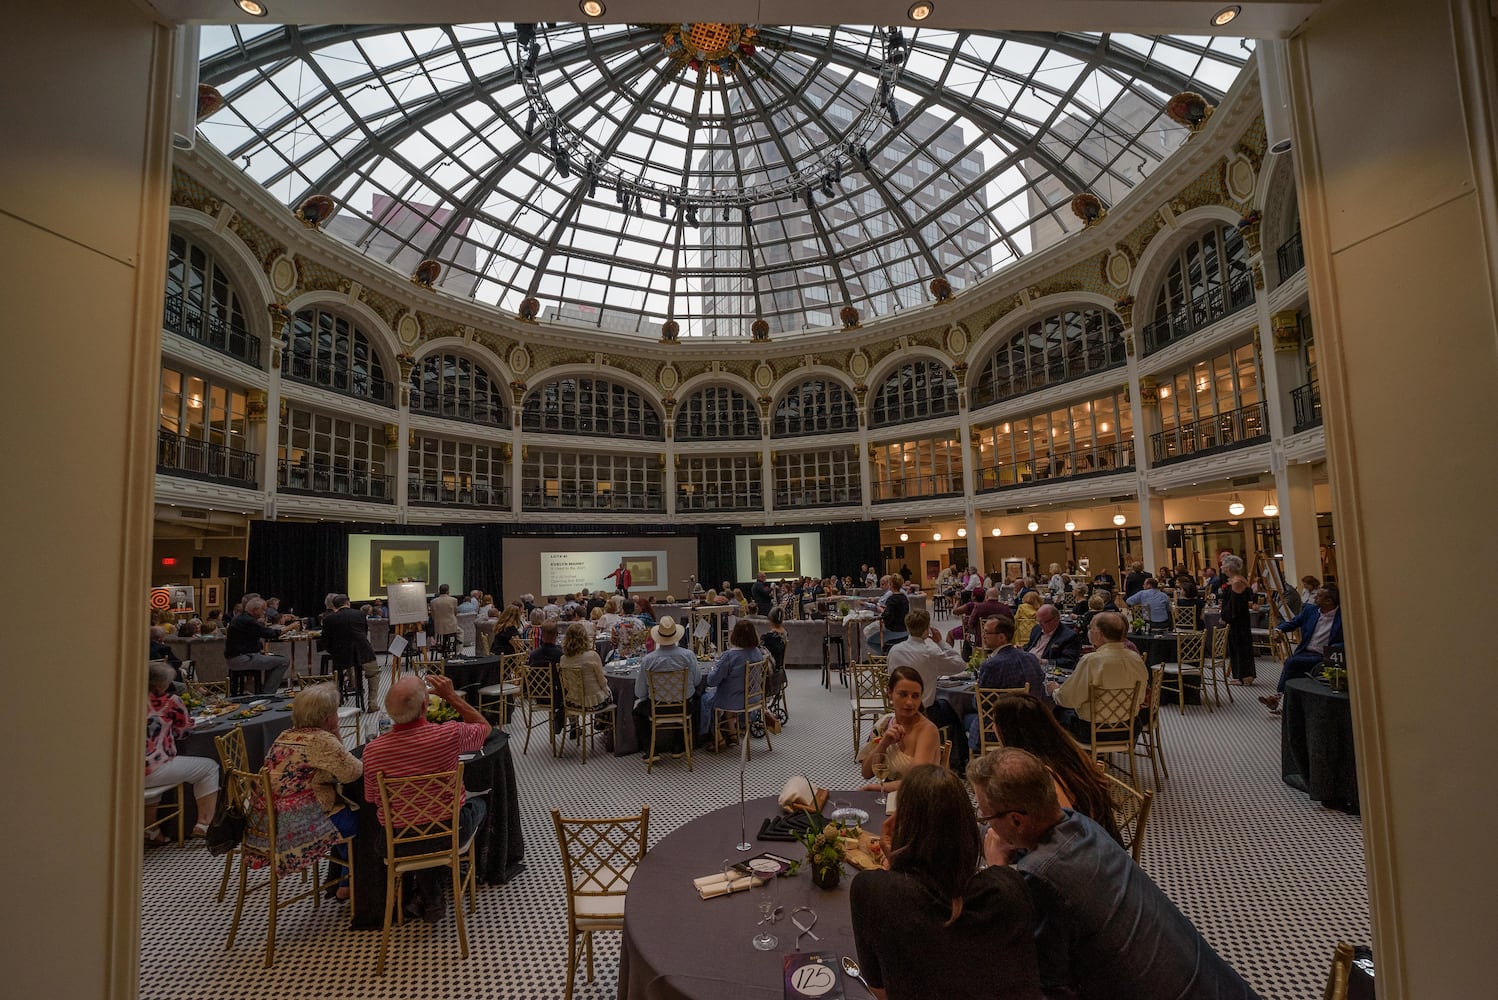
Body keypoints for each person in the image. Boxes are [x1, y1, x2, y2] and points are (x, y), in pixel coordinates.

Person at [968, 748, 1265, 1000]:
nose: (988, 825)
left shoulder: (1041, 877)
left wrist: (998, 872)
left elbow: (1047, 982)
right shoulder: (1081, 825)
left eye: (987, 817)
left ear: (1017, 821)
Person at [850, 764, 1045, 1000]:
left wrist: (896, 864)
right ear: (968, 826)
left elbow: (880, 990)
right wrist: (998, 868)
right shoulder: (1011, 888)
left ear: (903, 825)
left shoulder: (873, 890)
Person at [362, 673, 490, 923]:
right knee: (481, 803)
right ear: (425, 706)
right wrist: (451, 696)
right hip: (448, 833)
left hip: (397, 840)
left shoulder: (373, 752)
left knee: (419, 827)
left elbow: (370, 798)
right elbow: (483, 728)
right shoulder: (448, 735)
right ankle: (464, 878)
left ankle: (427, 893)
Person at [254, 682, 362, 896]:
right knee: (362, 820)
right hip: (299, 823)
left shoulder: (285, 735)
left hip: (267, 819)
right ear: (328, 717)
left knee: (343, 811)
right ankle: (351, 881)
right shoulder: (321, 741)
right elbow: (353, 773)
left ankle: (344, 881)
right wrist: (336, 733)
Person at [986, 693, 1121, 843]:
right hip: (1102, 840)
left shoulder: (1041, 773)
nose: (993, 728)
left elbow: (1065, 832)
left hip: (1086, 849)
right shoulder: (1066, 751)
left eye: (994, 721)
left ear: (1008, 730)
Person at [144, 661, 220, 844]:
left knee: (153, 785)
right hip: (153, 767)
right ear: (161, 685)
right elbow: (183, 731)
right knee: (209, 767)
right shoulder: (170, 702)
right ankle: (204, 823)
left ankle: (152, 832)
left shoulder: (128, 701)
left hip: (125, 772)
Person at [1047, 612, 1148, 742]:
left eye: (1090, 628)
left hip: (1091, 731)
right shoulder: (1136, 659)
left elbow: (1069, 699)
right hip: (1130, 727)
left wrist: (1055, 690)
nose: (1088, 631)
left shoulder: (1091, 661)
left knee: (1055, 713)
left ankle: (1071, 759)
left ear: (1099, 634)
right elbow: (1140, 697)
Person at [966, 617, 1049, 753]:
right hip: (1030, 726)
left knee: (961, 716)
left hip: (1001, 729)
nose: (983, 636)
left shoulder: (992, 665)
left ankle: (962, 764)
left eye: (987, 632)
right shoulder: (1031, 658)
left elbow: (981, 703)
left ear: (1001, 637)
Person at [1260, 585, 1344, 713]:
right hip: (1305, 651)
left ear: (1329, 601)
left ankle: (1278, 699)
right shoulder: (1310, 611)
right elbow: (1293, 623)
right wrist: (1279, 629)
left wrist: (1335, 648)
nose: (1315, 597)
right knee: (1294, 664)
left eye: (1319, 595)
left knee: (1292, 663)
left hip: (1324, 657)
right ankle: (1283, 701)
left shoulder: (1342, 617)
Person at [858, 665, 941, 795]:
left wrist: (877, 788)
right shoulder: (884, 723)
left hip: (918, 801)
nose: (909, 702)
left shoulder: (927, 731)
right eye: (903, 694)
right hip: (888, 798)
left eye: (915, 696)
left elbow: (917, 782)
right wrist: (884, 743)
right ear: (890, 693)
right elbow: (866, 773)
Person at [632, 616, 703, 757]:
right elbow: (697, 681)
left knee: (637, 711)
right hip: (684, 705)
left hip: (656, 708)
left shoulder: (648, 660)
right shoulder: (688, 656)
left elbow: (639, 692)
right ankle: (679, 744)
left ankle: (650, 749)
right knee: (696, 699)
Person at [700, 620, 767, 750]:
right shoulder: (757, 653)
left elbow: (712, 681)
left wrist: (714, 669)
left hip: (734, 700)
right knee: (729, 691)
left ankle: (718, 737)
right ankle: (732, 732)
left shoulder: (730, 656)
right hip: (753, 698)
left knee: (706, 699)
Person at [886, 608, 966, 709]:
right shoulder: (931, 653)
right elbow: (961, 665)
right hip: (923, 710)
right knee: (953, 707)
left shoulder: (894, 650)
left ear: (907, 627)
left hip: (898, 708)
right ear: (927, 629)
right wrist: (940, 642)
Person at [321, 593, 380, 710]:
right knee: (374, 674)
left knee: (342, 671)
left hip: (342, 656)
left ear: (334, 605)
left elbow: (326, 641)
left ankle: (338, 699)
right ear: (348, 603)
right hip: (363, 652)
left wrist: (334, 651)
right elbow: (364, 632)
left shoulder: (328, 619)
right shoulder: (360, 615)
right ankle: (372, 703)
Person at [225, 596, 291, 695]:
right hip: (242, 658)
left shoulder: (240, 618)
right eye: (263, 610)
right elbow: (270, 634)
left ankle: (263, 690)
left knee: (273, 660)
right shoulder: (248, 621)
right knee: (284, 661)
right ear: (255, 610)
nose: (264, 612)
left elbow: (245, 640)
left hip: (237, 656)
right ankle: (268, 693)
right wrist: (290, 627)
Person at [558, 622, 612, 725]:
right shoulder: (592, 656)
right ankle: (602, 725)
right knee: (611, 693)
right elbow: (603, 682)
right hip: (593, 702)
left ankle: (574, 726)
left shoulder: (563, 659)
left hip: (573, 702)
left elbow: (566, 685)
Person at [1218, 555, 1257, 685]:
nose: (1221, 567)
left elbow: (1234, 605)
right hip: (1239, 619)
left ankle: (1244, 676)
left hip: (1238, 621)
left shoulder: (1236, 582)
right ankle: (1242, 675)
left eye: (1223, 565)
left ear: (1228, 567)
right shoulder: (1237, 580)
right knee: (1237, 646)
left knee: (1240, 647)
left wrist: (1225, 618)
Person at [528, 620, 565, 737]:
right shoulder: (560, 655)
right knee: (573, 695)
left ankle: (559, 719)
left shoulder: (533, 655)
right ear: (556, 635)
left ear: (542, 636)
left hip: (538, 696)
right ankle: (570, 723)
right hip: (558, 699)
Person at [1023, 604, 1083, 670]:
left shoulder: (1069, 636)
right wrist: (1021, 650)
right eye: (1038, 621)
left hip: (1045, 669)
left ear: (1056, 620)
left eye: (1044, 622)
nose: (1040, 625)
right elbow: (1030, 646)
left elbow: (1069, 662)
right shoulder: (1037, 628)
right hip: (1027, 664)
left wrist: (1043, 661)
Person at [865, 575, 910, 655]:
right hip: (905, 630)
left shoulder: (892, 599)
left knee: (870, 641)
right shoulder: (904, 597)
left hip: (894, 630)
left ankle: (888, 656)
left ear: (891, 584)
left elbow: (887, 617)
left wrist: (881, 610)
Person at [429, 583, 459, 654]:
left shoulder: (433, 602)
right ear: (448, 591)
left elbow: (433, 616)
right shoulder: (454, 600)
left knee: (444, 634)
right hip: (451, 626)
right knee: (461, 632)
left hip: (438, 626)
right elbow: (455, 613)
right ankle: (458, 651)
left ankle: (443, 646)